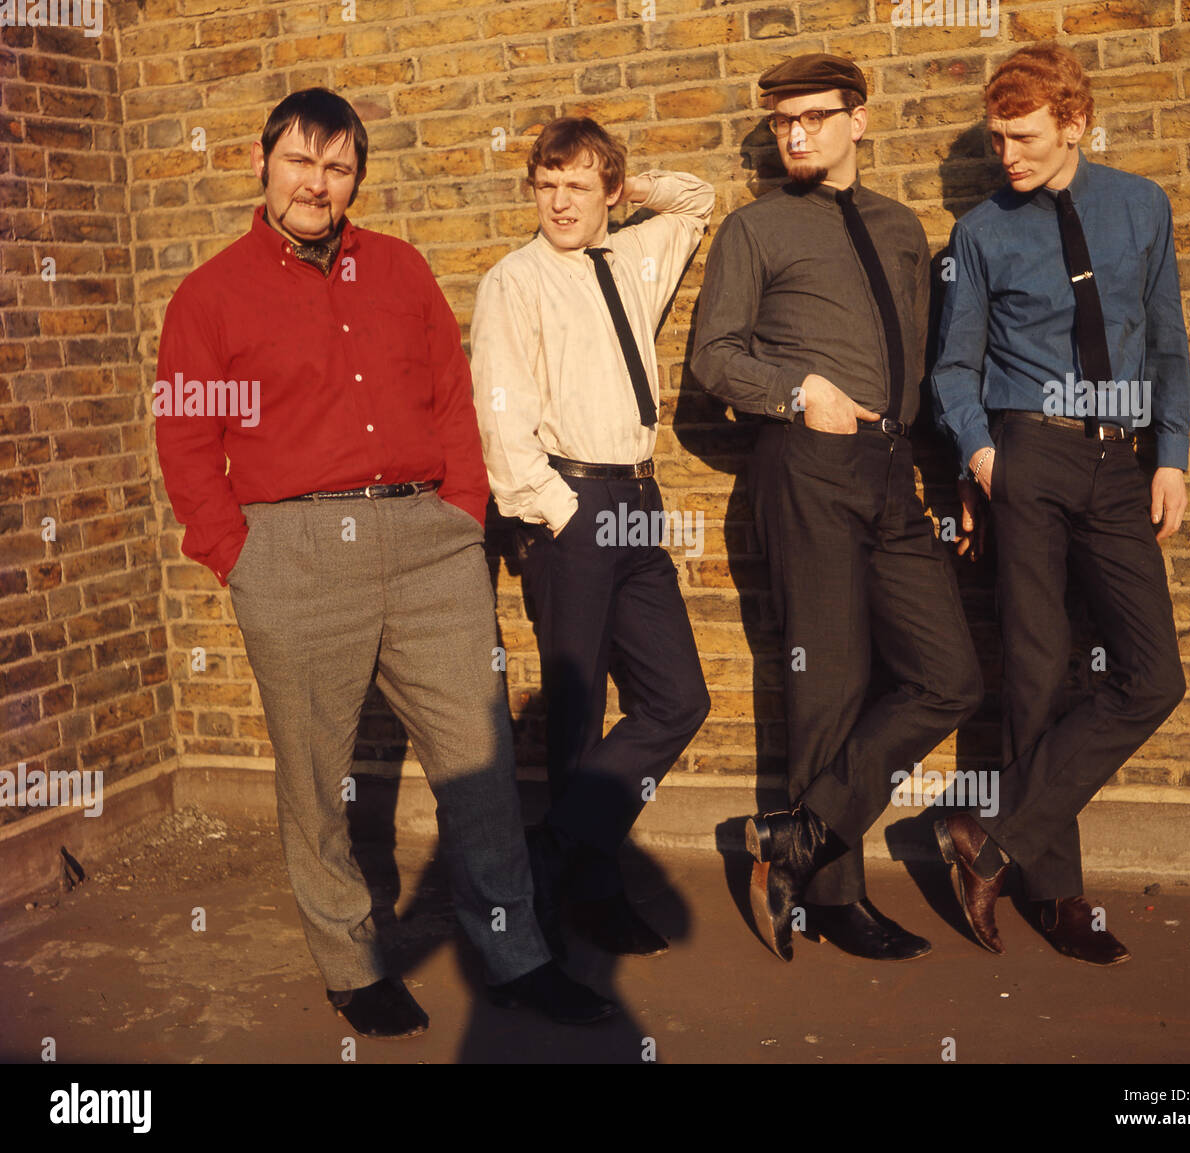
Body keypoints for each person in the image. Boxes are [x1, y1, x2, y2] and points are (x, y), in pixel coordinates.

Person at [153, 88, 615, 1036]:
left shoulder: (400, 270)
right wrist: (239, 558)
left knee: (480, 763)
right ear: (262, 161)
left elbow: (452, 395)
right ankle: (352, 962)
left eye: (336, 167)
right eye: (299, 162)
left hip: (426, 546)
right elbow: (186, 444)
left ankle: (517, 952)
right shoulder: (209, 296)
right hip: (291, 552)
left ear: (355, 176)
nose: (316, 184)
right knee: (314, 776)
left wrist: (459, 516)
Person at [692, 55, 983, 963]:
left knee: (950, 674)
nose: (798, 134)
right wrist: (794, 390)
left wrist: (960, 472)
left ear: (861, 119)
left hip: (893, 474)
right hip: (806, 465)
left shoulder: (903, 228)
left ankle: (795, 834)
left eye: (817, 117)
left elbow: (930, 364)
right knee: (830, 685)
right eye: (784, 121)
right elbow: (713, 357)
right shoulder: (755, 228)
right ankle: (834, 897)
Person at [929, 42, 1190, 964]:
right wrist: (984, 456)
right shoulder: (980, 234)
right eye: (998, 137)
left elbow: (1166, 344)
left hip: (1119, 461)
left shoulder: (1140, 205)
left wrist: (1173, 456)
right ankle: (1058, 895)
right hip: (1029, 453)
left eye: (1026, 135)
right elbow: (952, 369)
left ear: (1074, 123)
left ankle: (989, 840)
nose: (1009, 154)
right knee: (1039, 678)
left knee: (1153, 675)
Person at [470, 118, 713, 958]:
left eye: (578, 183)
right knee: (577, 714)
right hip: (569, 504)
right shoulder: (514, 281)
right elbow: (501, 421)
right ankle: (589, 899)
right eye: (546, 183)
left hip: (638, 502)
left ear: (608, 189)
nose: (559, 200)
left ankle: (558, 845)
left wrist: (635, 187)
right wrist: (559, 509)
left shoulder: (638, 258)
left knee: (679, 698)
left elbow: (698, 199)